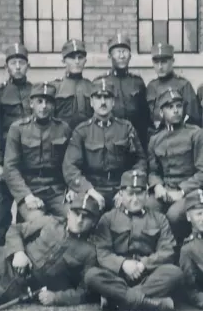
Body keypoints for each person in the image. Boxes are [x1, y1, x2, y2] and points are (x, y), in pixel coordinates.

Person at [84, 170, 184, 311]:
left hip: (148, 275)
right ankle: (152, 304)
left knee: (175, 273)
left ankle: (115, 299)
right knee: (91, 275)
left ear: (146, 195)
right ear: (121, 194)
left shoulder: (159, 218)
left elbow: (167, 250)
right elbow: (102, 252)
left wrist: (144, 264)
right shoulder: (108, 218)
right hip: (118, 276)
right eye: (130, 194)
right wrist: (123, 264)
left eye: (140, 193)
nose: (135, 199)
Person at [62, 78, 147, 211]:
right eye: (98, 97)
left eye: (107, 97)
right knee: (82, 216)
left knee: (126, 218)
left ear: (113, 102)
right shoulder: (82, 130)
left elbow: (140, 160)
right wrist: (88, 190)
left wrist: (127, 188)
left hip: (120, 188)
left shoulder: (126, 128)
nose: (103, 102)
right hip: (93, 188)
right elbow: (70, 167)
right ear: (91, 102)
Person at [147, 88, 203, 249]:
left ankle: (178, 253)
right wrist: (157, 186)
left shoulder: (197, 134)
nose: (175, 110)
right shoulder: (156, 139)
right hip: (166, 190)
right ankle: (155, 253)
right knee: (148, 208)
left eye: (178, 106)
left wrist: (181, 191)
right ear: (161, 112)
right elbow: (153, 170)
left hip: (190, 191)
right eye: (170, 107)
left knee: (174, 216)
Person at [3, 82, 72, 224]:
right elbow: (10, 168)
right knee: (37, 222)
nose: (44, 106)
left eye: (48, 102)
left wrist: (71, 188)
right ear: (31, 103)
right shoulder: (18, 129)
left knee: (74, 218)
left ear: (54, 105)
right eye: (39, 101)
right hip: (30, 189)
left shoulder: (63, 128)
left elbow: (71, 164)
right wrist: (26, 196)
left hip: (57, 191)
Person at [0, 43, 33, 247]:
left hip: (30, 161)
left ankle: (24, 251)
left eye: (21, 63)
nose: (17, 67)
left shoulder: (36, 92)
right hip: (7, 160)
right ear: (7, 67)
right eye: (13, 63)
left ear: (27, 66)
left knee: (27, 209)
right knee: (1, 209)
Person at [94, 33, 151, 150]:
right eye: (118, 52)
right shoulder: (100, 82)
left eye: (125, 51)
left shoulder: (138, 82)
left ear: (130, 55)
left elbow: (145, 116)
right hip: (110, 139)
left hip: (136, 140)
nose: (122, 56)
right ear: (110, 56)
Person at [146, 42, 201, 130]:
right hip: (156, 137)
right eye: (156, 63)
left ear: (172, 61)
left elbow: (192, 118)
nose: (160, 67)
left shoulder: (183, 85)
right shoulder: (151, 87)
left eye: (164, 62)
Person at [52, 39, 94, 129]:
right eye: (72, 58)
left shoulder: (92, 87)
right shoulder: (55, 87)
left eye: (80, 57)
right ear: (63, 61)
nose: (77, 61)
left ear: (85, 61)